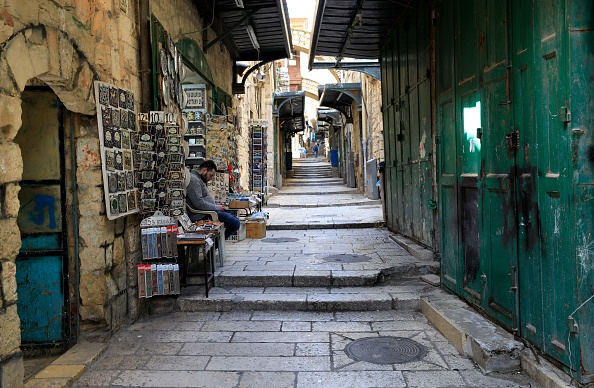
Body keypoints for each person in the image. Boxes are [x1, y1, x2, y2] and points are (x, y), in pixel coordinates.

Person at [185, 160, 240, 239]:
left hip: (209, 211)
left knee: (234, 218)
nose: (210, 179)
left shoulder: (198, 179)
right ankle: (216, 243)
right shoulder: (194, 180)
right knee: (235, 223)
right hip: (204, 214)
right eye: (211, 175)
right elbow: (199, 203)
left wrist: (216, 206)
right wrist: (216, 207)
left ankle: (217, 242)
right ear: (204, 170)